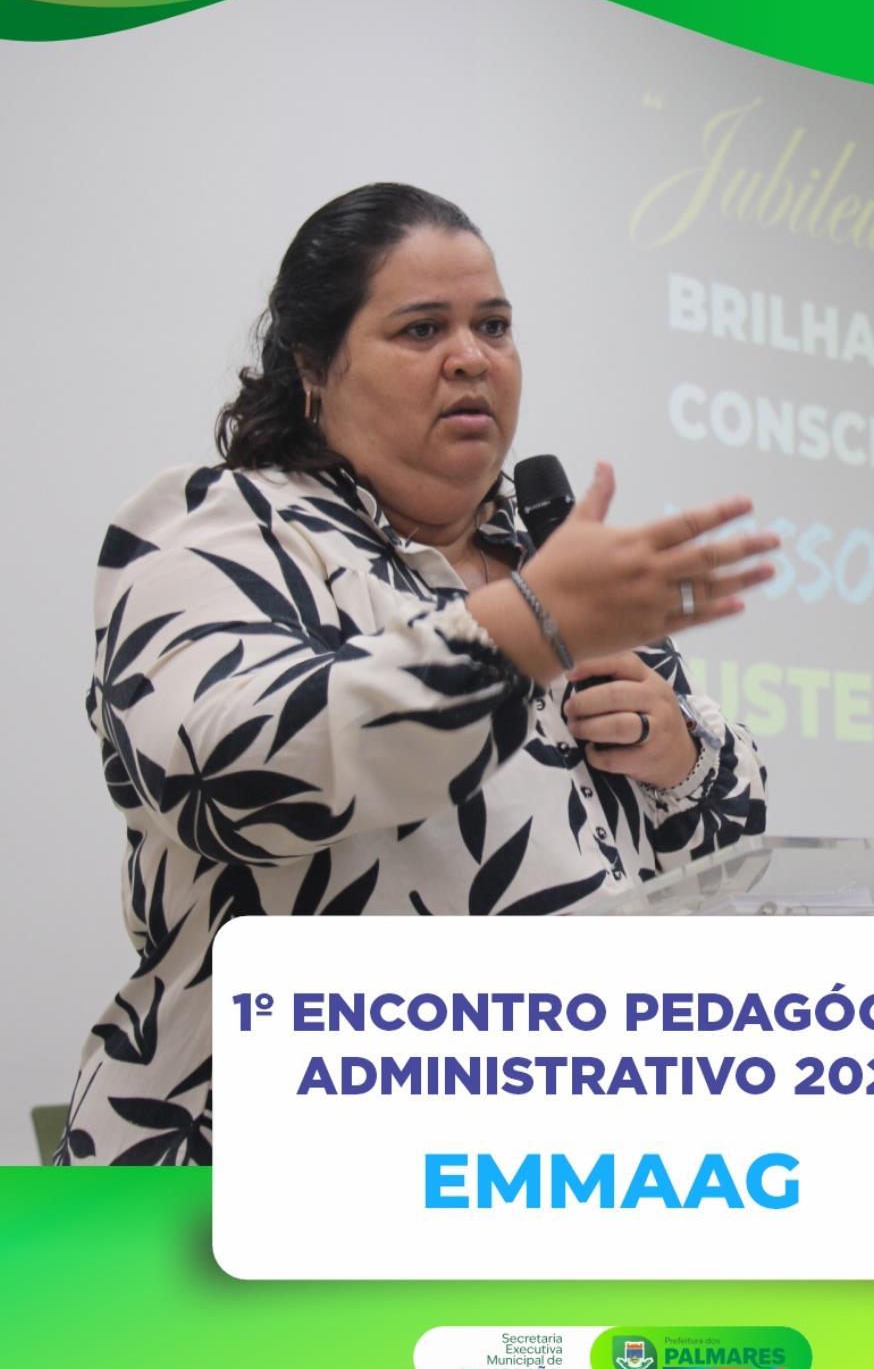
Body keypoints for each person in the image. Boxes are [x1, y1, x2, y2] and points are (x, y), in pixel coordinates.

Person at [58, 183, 776, 1166]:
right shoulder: (225, 531)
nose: (471, 356)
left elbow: (729, 858)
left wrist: (681, 754)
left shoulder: (548, 555)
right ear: (312, 366)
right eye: (422, 328)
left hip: (539, 1169)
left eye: (494, 325)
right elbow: (225, 775)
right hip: (264, 1168)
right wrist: (518, 631)